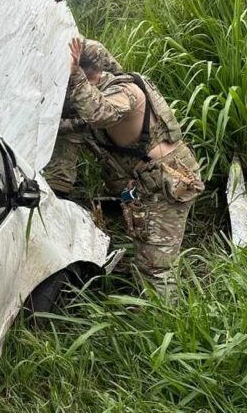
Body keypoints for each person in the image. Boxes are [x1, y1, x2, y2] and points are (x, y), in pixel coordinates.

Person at [64, 36, 204, 287]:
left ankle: (166, 320)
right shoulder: (108, 88)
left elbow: (98, 114)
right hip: (152, 184)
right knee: (147, 255)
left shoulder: (124, 91)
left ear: (89, 74)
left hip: (167, 183)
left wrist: (74, 76)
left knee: (157, 268)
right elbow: (77, 123)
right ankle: (152, 307)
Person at [44, 38, 123, 196]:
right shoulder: (46, 60)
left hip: (96, 108)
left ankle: (121, 192)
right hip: (67, 116)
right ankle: (58, 195)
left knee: (114, 162)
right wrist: (61, 124)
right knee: (59, 177)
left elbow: (119, 78)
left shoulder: (93, 50)